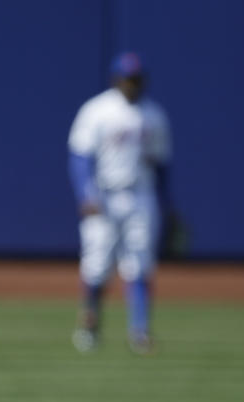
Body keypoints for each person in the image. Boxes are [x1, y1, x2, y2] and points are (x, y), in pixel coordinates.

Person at [67, 51, 173, 354]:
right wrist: (85, 193)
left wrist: (166, 204)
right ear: (116, 79)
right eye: (127, 78)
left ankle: (139, 332)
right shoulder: (97, 110)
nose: (132, 84)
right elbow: (79, 157)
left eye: (136, 79)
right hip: (104, 194)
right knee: (96, 264)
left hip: (141, 194)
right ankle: (89, 327)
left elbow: (162, 164)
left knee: (139, 263)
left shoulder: (153, 115)